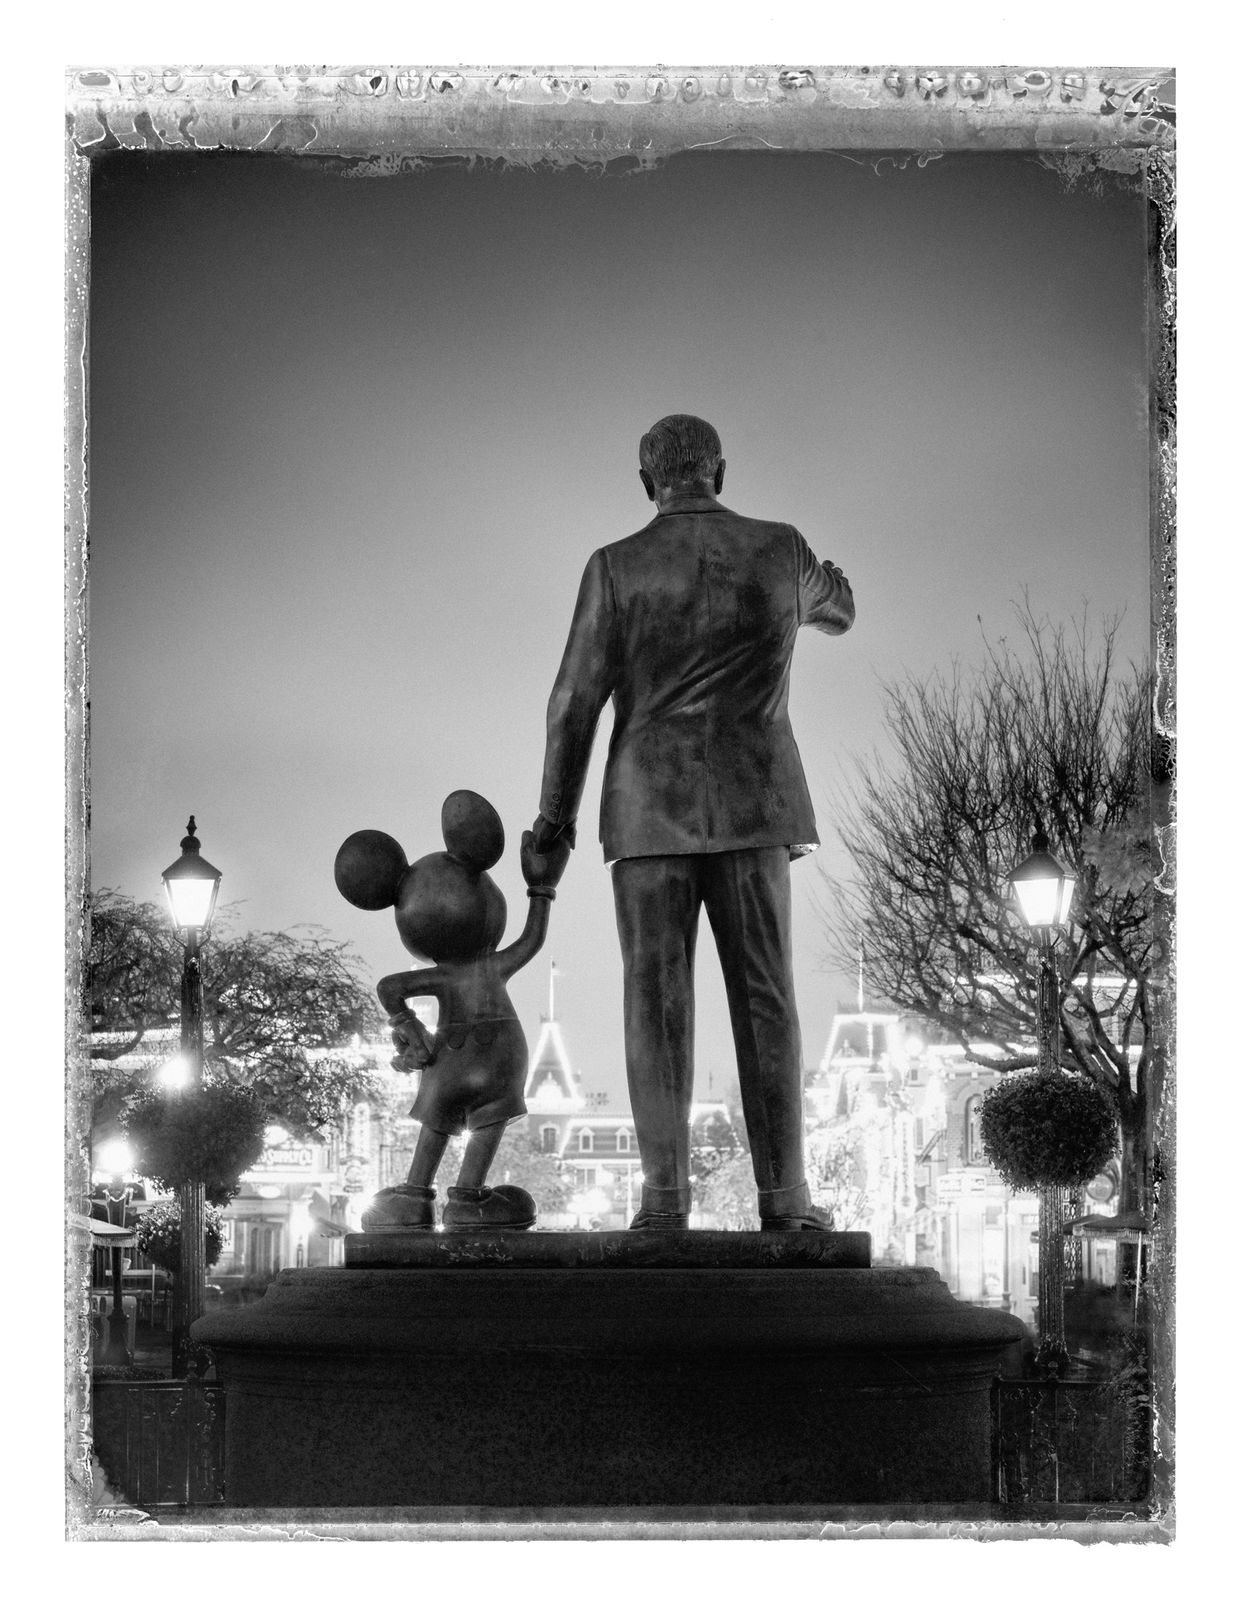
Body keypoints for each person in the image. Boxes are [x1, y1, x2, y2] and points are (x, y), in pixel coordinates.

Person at [531, 414, 855, 1230]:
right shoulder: (779, 549)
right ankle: (786, 1201)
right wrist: (822, 584)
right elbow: (841, 610)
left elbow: (572, 703)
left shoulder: (614, 566)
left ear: (648, 483)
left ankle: (662, 1203)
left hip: (647, 810)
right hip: (756, 804)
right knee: (766, 998)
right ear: (720, 470)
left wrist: (553, 825)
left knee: (654, 1001)